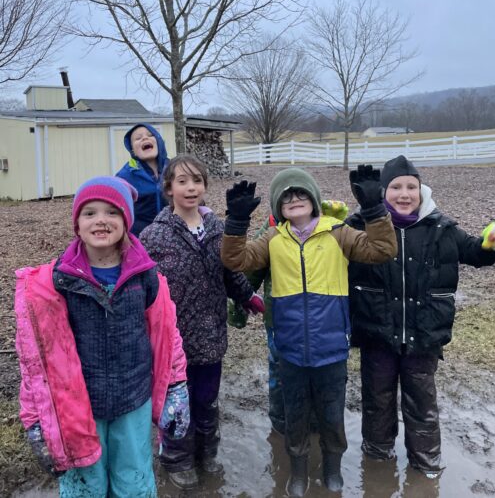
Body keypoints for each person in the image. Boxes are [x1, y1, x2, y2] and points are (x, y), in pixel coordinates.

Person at [221, 166, 397, 497]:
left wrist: (375, 209)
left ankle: (332, 465)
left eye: (301, 193)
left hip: (331, 348)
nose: (294, 199)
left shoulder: (339, 233)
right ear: (278, 207)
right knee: (295, 412)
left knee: (332, 413)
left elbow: (383, 249)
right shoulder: (273, 239)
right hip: (289, 348)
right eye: (286, 196)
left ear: (314, 200)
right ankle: (298, 468)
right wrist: (236, 223)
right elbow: (236, 260)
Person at [14, 176, 189, 498]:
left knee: (133, 479)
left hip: (133, 398)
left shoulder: (146, 277)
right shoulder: (56, 282)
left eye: (112, 212)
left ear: (126, 221)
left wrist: (177, 385)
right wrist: (36, 417)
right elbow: (35, 356)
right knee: (86, 485)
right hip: (79, 407)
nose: (101, 220)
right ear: (77, 225)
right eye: (89, 212)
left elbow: (166, 334)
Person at [347, 155, 495, 478]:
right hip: (378, 334)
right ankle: (377, 462)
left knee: (422, 404)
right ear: (383, 192)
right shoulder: (361, 225)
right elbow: (330, 250)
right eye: (396, 187)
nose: (404, 194)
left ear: (422, 190)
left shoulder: (441, 227)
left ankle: (426, 466)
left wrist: (490, 245)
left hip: (424, 335)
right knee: (377, 401)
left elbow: (475, 253)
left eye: (411, 187)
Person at [140, 154, 265, 490]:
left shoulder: (217, 229)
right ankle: (177, 459)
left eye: (197, 180)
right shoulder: (154, 235)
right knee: (177, 403)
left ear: (206, 186)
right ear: (169, 188)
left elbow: (230, 272)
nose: (190, 187)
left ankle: (207, 452)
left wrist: (248, 297)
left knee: (206, 399)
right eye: (182, 181)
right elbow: (143, 287)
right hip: (173, 340)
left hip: (210, 333)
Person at [228, 200, 350, 436]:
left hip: (322, 322)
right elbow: (251, 271)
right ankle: (281, 422)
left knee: (322, 372)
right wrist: (238, 311)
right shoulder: (272, 230)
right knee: (280, 372)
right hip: (280, 321)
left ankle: (317, 422)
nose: (295, 201)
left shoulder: (330, 227)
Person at [116, 123, 169, 236]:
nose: (145, 138)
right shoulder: (124, 176)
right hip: (140, 238)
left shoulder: (174, 168)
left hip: (172, 235)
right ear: (133, 150)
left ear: (159, 142)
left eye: (150, 135)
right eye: (138, 138)